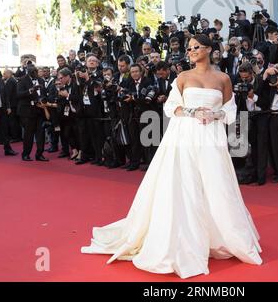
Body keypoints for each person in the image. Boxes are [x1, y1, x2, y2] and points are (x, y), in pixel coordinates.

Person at [81, 34, 262, 279]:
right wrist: (192, 111)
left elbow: (230, 111)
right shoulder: (183, 77)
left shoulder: (223, 78)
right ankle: (186, 240)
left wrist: (215, 115)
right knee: (185, 186)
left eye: (196, 47)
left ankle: (221, 237)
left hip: (212, 137)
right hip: (185, 135)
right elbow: (170, 107)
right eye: (189, 48)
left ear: (209, 49)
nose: (192, 51)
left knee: (216, 186)